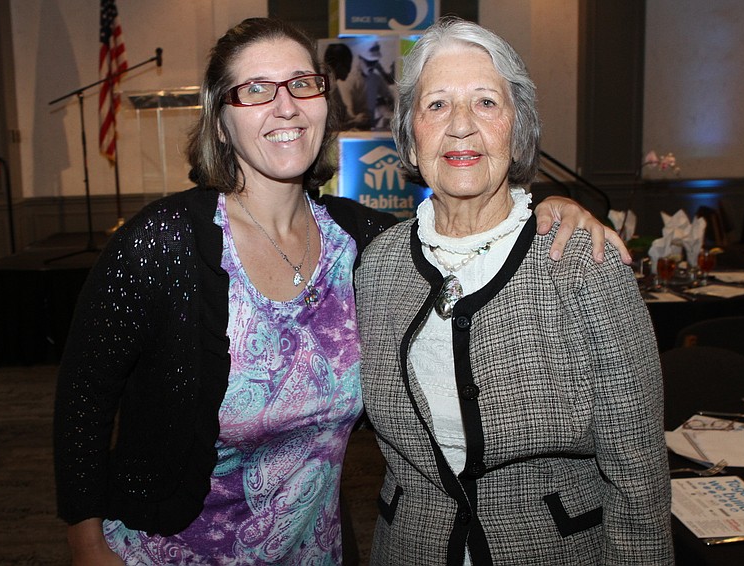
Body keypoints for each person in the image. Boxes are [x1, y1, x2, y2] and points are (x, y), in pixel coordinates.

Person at [53, 17, 629, 566]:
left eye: (302, 84)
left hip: (315, 550)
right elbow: (83, 402)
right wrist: (85, 546)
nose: (285, 106)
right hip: (166, 549)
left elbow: (470, 217)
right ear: (220, 118)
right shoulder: (159, 245)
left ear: (325, 102)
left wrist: (552, 206)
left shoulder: (364, 242)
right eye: (255, 89)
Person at [355, 17, 673, 565]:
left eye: (485, 102)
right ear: (409, 133)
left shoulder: (583, 263)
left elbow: (638, 474)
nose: (461, 126)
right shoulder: (376, 266)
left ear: (517, 126)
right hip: (408, 550)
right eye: (436, 105)